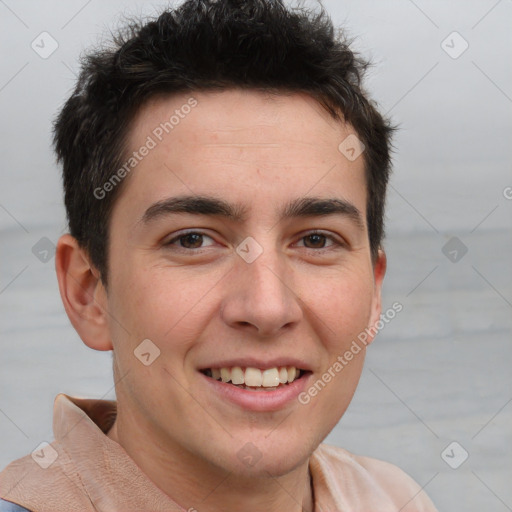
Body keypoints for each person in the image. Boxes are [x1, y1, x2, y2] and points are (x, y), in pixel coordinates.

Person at [0, 0, 438, 510]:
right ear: (88, 292)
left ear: (375, 291)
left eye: (316, 240)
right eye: (193, 239)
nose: (267, 308)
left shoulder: (394, 498)